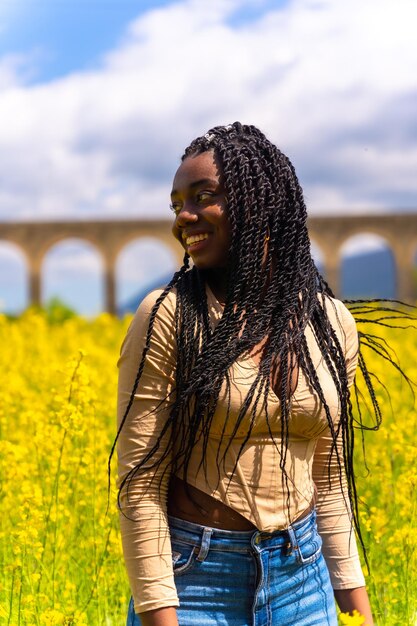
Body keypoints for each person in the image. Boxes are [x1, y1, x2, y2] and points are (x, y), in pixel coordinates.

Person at [115, 122, 377, 626]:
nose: (183, 218)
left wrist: (357, 610)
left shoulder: (330, 322)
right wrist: (159, 615)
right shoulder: (169, 315)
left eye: (203, 196)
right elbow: (140, 484)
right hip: (196, 579)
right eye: (176, 204)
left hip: (305, 576)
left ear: (261, 202)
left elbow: (330, 477)